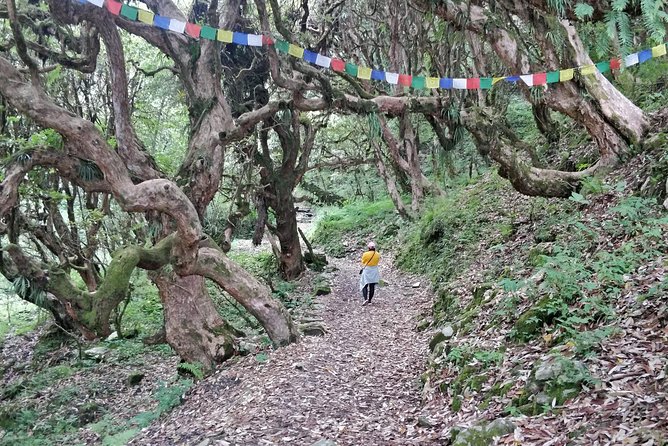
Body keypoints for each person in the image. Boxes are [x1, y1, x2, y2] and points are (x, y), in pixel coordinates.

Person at [359, 241, 380, 305]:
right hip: (374, 270)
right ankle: (370, 301)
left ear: (369, 248)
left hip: (367, 270)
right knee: (372, 286)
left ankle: (365, 299)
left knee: (364, 284)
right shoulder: (377, 254)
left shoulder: (365, 254)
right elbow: (378, 261)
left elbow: (363, 262)